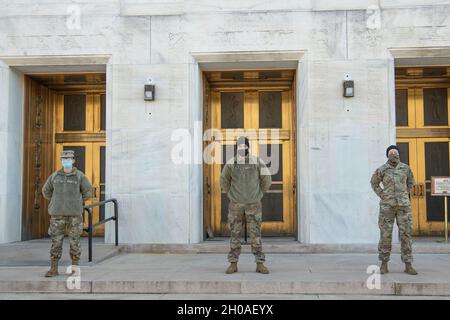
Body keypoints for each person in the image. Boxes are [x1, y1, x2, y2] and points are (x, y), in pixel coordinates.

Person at [220, 136, 272, 274]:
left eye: (245, 146)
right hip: (236, 205)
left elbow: (266, 179)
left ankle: (260, 263)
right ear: (237, 148)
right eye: (240, 146)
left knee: (256, 234)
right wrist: (230, 194)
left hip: (253, 205)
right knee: (234, 234)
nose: (242, 149)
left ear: (248, 147)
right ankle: (233, 263)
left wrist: (259, 194)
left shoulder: (256, 162)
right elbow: (223, 180)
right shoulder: (231, 163)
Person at [42, 150, 93, 277]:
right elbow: (46, 191)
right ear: (61, 161)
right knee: (56, 242)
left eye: (69, 159)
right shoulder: (54, 176)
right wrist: (56, 201)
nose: (66, 161)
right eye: (64, 159)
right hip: (57, 216)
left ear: (73, 161)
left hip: (74, 217)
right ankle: (53, 269)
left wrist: (77, 202)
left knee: (74, 242)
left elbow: (88, 191)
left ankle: (75, 269)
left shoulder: (80, 176)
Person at [370, 145, 418, 275]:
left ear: (399, 154)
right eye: (391, 153)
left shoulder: (405, 168)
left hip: (403, 207)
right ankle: (384, 264)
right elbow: (373, 183)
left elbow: (411, 182)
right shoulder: (382, 169)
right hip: (387, 207)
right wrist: (382, 194)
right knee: (386, 235)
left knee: (406, 235)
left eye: (396, 153)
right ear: (387, 155)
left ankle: (408, 264)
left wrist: (405, 193)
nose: (394, 155)